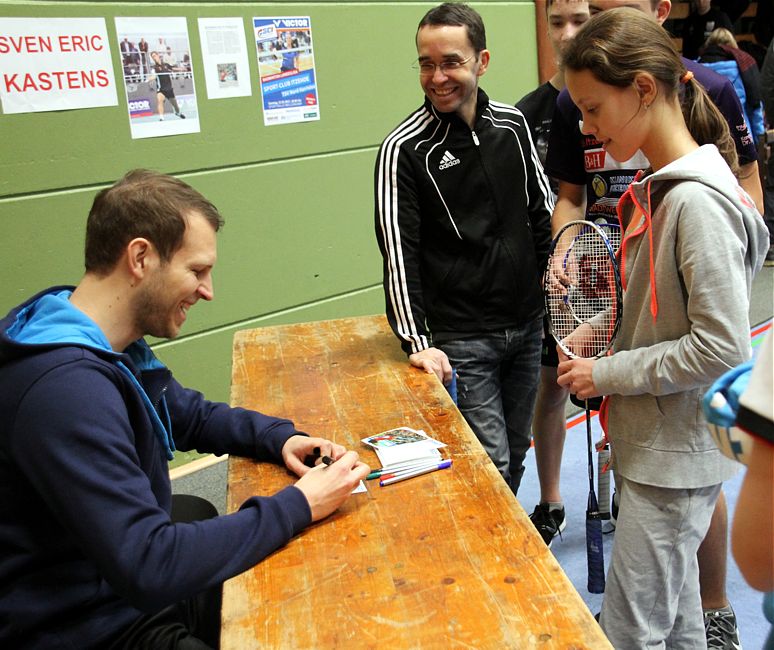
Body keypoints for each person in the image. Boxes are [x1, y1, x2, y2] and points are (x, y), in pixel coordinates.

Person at [0, 169, 370, 649]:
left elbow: (189, 414)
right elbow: (150, 565)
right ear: (140, 258)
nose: (207, 290)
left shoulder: (91, 333)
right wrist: (299, 504)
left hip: (113, 583)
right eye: (196, 271)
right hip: (87, 624)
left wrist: (281, 438)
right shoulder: (66, 392)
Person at [541, 2, 762, 646]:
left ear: (642, 90)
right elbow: (664, 301)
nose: (586, 128)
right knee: (681, 622)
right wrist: (604, 325)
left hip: (676, 460)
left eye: (592, 109)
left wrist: (605, 371)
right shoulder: (665, 187)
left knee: (629, 630)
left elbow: (720, 346)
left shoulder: (695, 202)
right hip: (659, 448)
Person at [374, 2, 553, 495]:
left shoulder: (514, 126)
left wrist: (553, 290)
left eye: (450, 61)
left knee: (517, 452)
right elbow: (398, 252)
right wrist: (417, 343)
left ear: (482, 61)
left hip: (527, 324)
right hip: (462, 337)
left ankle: (504, 559)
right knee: (487, 463)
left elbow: (540, 211)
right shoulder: (404, 150)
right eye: (426, 64)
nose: (437, 77)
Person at [516, 0, 590, 546]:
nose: (567, 33)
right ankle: (551, 499)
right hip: (557, 280)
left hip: (616, 270)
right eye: (557, 22)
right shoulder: (529, 112)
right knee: (552, 386)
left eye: (580, 21)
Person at [699, 27, 766, 143]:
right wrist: (758, 140)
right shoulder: (744, 67)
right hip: (740, 139)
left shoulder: (695, 68)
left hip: (706, 139)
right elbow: (754, 107)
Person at [149, 51, 185, 121]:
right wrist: (148, 79)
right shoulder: (154, 68)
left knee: (175, 105)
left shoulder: (166, 65)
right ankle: (161, 117)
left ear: (158, 55)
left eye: (155, 55)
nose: (154, 57)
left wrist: (181, 69)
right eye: (152, 57)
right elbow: (153, 76)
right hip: (161, 89)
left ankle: (178, 113)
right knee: (160, 100)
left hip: (169, 89)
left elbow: (172, 68)